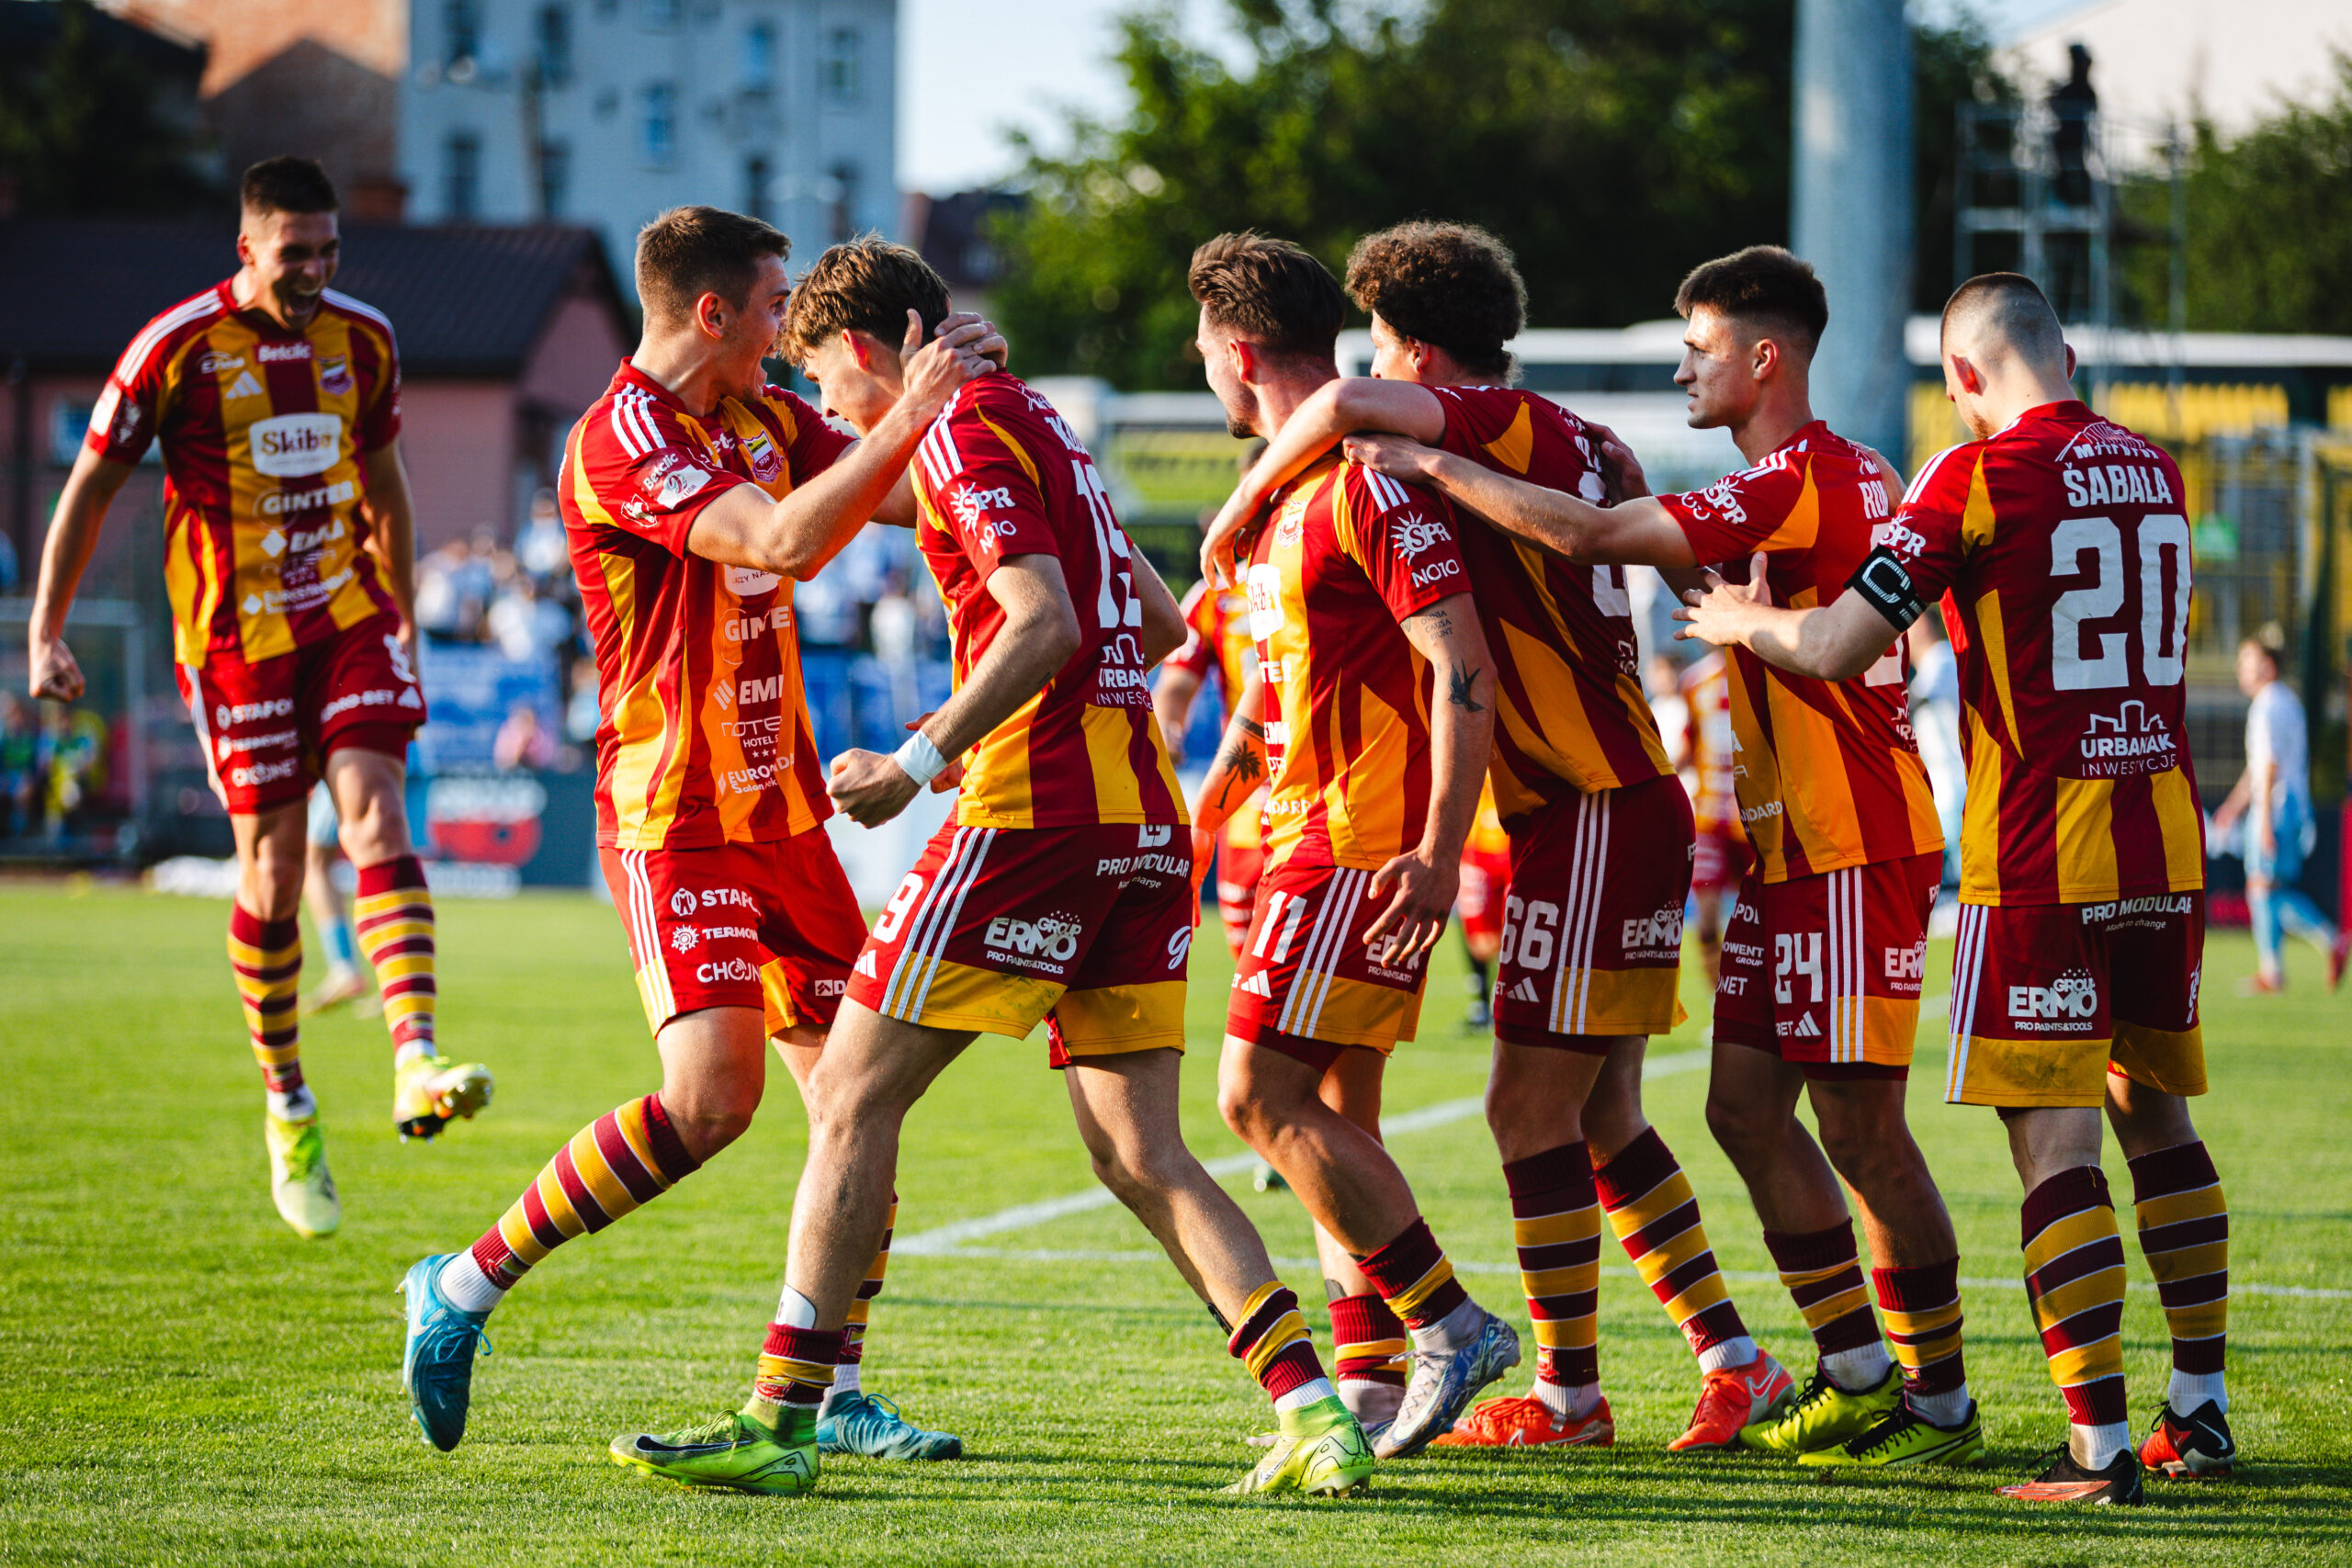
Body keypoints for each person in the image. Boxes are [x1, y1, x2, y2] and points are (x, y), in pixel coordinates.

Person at [560, 233, 1370, 1500]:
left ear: (866, 350)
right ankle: (1313, 1411)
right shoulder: (1044, 423)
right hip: (1143, 826)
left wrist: (920, 754)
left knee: (846, 1096)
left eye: (823, 376)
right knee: (1138, 1152)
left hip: (1031, 816)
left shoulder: (957, 428)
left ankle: (783, 1418)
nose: (822, 403)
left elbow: (1042, 619)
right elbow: (1161, 620)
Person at [1349, 244, 1981, 1472]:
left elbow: (1593, 537)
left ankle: (1934, 1399)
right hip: (1781, 843)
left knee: (1859, 1130)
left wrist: (1431, 462)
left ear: (1764, 358)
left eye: (1699, 348)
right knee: (1735, 1108)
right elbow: (1650, 542)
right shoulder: (1825, 472)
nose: (1684, 368)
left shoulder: (1797, 474)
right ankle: (1840, 1369)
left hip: (1848, 839)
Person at [396, 208, 1000, 1470]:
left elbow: (897, 492)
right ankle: (460, 1285)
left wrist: (969, 413)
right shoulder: (618, 438)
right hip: (677, 821)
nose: (788, 332)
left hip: (786, 816)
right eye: (775, 305)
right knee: (712, 1102)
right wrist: (914, 410)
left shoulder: (765, 415)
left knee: (859, 1100)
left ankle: (832, 1391)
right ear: (711, 311)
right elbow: (782, 538)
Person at [1203, 221, 1786, 1454]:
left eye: (1380, 346)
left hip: (1586, 801)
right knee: (1601, 1111)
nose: (1370, 375)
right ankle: (1732, 1358)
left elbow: (1345, 406)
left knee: (1526, 1109)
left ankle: (1570, 1396)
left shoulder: (1475, 422)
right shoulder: (1584, 435)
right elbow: (1648, 540)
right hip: (1611, 793)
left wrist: (1241, 499)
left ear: (1417, 351)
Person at [1679, 271, 2240, 1501]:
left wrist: (1735, 621)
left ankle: (2096, 1449)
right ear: (2066, 356)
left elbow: (1836, 643)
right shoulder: (2156, 467)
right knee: (2158, 1118)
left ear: (1964, 377)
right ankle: (2197, 1408)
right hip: (2164, 835)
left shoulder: (1970, 475)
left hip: (2040, 848)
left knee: (2054, 1142)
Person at [26, 156, 490, 1239]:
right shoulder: (172, 349)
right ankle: (288, 1104)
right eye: (295, 254)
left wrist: (404, 612)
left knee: (374, 811)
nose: (315, 272)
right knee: (274, 876)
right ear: (247, 249)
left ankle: (416, 1060)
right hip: (236, 644)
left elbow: (386, 481)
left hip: (350, 617)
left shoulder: (364, 340)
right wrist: (46, 629)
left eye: (329, 251)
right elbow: (89, 488)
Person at [1182, 231, 1521, 1461]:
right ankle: (1373, 1384)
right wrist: (1208, 808)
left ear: (1237, 350)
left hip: (1354, 845)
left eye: (1202, 349)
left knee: (1253, 1097)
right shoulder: (1284, 495)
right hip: (1298, 832)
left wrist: (1435, 849)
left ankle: (1451, 1323)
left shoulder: (1360, 484)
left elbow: (1461, 667)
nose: (1203, 370)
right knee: (1336, 1116)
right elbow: (1281, 692)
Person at [2213, 632, 2345, 991]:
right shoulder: (2285, 700)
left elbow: (2269, 766)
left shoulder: (2268, 704)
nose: (2240, 669)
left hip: (2276, 808)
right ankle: (2278, 967)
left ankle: (2323, 942)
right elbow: (2259, 768)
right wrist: (2233, 807)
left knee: (2262, 887)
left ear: (2268, 667)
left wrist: (2263, 823)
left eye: (2247, 661)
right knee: (2268, 889)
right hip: (2289, 806)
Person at [1679, 648, 1750, 987]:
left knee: (1763, 920)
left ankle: (1759, 998)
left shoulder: (1762, 672)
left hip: (1753, 819)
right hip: (1708, 819)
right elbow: (1690, 744)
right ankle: (1717, 1002)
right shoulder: (1694, 681)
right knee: (1706, 925)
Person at [298, 783, 374, 1016]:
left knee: (315, 861)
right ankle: (400, 982)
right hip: (410, 763)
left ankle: (344, 968)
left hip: (349, 767)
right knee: (392, 858)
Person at [1454, 783, 1510, 1031]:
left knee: (1520, 926)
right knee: (1480, 940)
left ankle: (1511, 1004)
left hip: (1516, 840)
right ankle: (1482, 1006)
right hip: (1477, 847)